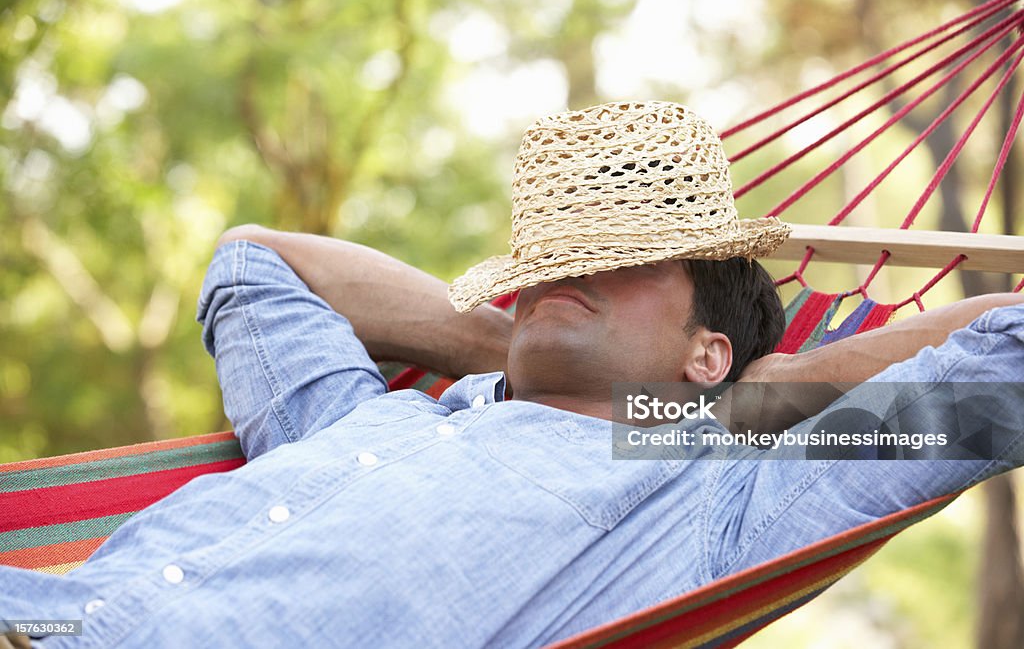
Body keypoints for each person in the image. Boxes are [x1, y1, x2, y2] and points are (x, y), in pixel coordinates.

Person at [2, 101, 1022, 648]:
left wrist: (775, 386)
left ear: (706, 352)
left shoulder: (714, 502)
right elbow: (255, 260)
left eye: (623, 256)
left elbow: (1004, 357)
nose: (566, 267)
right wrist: (508, 345)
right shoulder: (362, 421)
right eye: (554, 257)